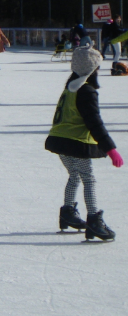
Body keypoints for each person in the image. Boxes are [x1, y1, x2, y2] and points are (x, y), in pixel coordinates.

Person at [45, 46, 122, 240]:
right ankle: (94, 220)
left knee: (74, 176)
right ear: (92, 68)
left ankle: (68, 211)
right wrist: (110, 149)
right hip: (75, 143)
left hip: (60, 140)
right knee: (88, 179)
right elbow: (94, 122)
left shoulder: (70, 87)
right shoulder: (86, 91)